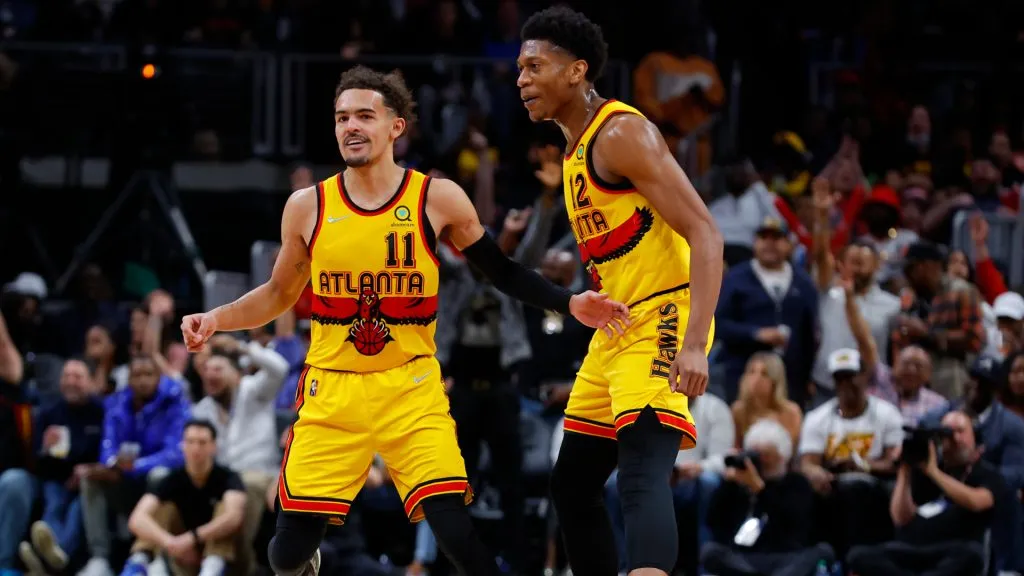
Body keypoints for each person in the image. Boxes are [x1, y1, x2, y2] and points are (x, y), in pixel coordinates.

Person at [180, 65, 629, 576]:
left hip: (409, 388)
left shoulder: (435, 199)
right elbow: (279, 294)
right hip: (334, 389)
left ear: (396, 126)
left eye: (365, 116)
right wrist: (216, 318)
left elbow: (500, 270)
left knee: (457, 534)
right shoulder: (307, 206)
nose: (351, 126)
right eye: (342, 117)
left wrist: (568, 301)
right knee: (284, 556)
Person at [518, 7, 723, 576]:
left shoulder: (621, 132)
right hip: (615, 329)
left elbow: (706, 233)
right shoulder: (572, 152)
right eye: (519, 68)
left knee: (640, 473)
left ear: (577, 71)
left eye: (536, 66)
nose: (522, 80)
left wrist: (695, 342)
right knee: (573, 484)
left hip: (664, 316)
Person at [846, 411, 1005, 576]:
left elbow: (976, 501)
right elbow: (901, 518)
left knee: (972, 556)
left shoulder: (988, 474)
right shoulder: (922, 470)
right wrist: (905, 469)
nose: (955, 439)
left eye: (961, 431)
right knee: (857, 555)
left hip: (953, 551)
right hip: (911, 550)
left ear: (975, 439)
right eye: (948, 433)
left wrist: (933, 472)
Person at [122, 420, 246, 576]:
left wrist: (192, 538)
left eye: (202, 442)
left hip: (225, 556)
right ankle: (139, 562)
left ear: (213, 446)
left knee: (225, 510)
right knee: (162, 508)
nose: (196, 448)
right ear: (183, 445)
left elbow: (234, 518)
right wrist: (170, 543)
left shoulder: (229, 477)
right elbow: (136, 519)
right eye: (191, 441)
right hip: (181, 555)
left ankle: (213, 566)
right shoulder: (171, 478)